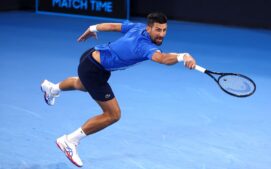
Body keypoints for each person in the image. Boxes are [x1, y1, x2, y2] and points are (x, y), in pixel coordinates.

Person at [41, 12, 196, 167]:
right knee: (113, 114)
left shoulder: (138, 27)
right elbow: (162, 59)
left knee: (81, 84)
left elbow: (113, 26)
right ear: (149, 29)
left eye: (164, 30)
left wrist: (92, 28)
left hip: (91, 56)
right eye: (158, 30)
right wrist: (183, 56)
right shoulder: (143, 46)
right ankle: (69, 140)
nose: (161, 34)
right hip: (94, 70)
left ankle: (52, 88)